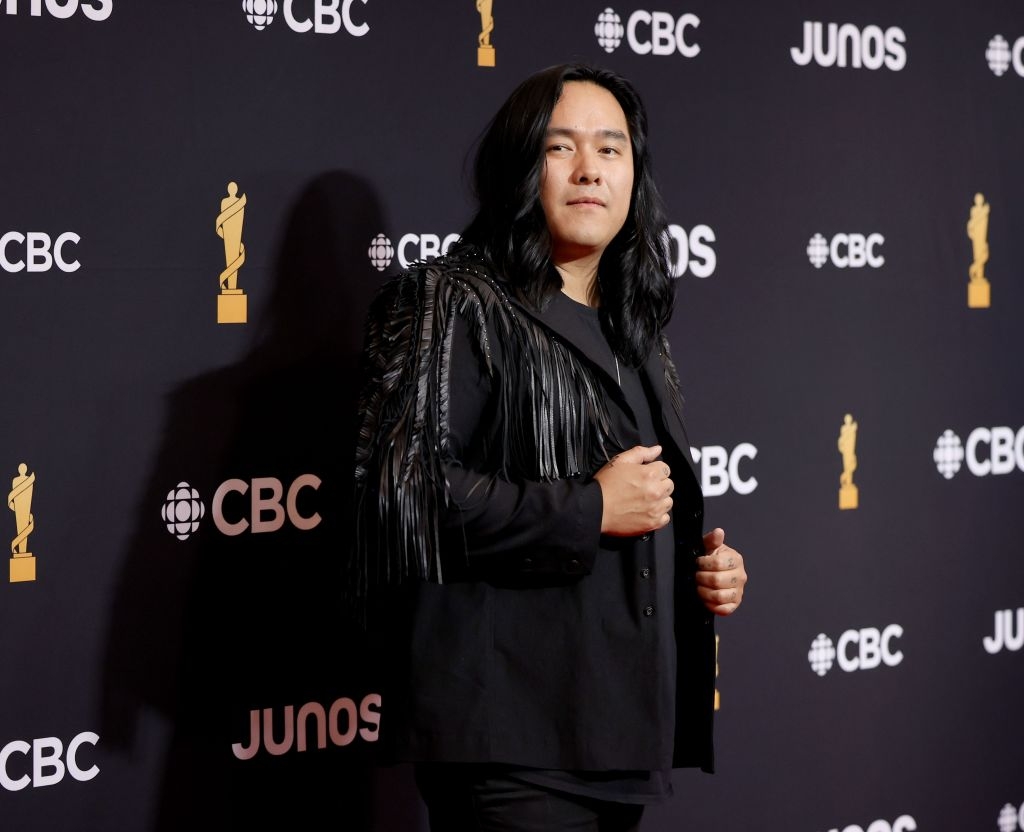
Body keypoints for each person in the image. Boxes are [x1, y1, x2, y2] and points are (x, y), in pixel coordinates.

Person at [349, 62, 748, 832]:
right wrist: (590, 507)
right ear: (517, 167)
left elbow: (637, 513)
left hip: (617, 736)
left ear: (635, 175)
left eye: (611, 148)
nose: (590, 169)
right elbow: (401, 495)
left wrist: (699, 567)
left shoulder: (635, 329)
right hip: (510, 743)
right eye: (560, 147)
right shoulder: (450, 299)